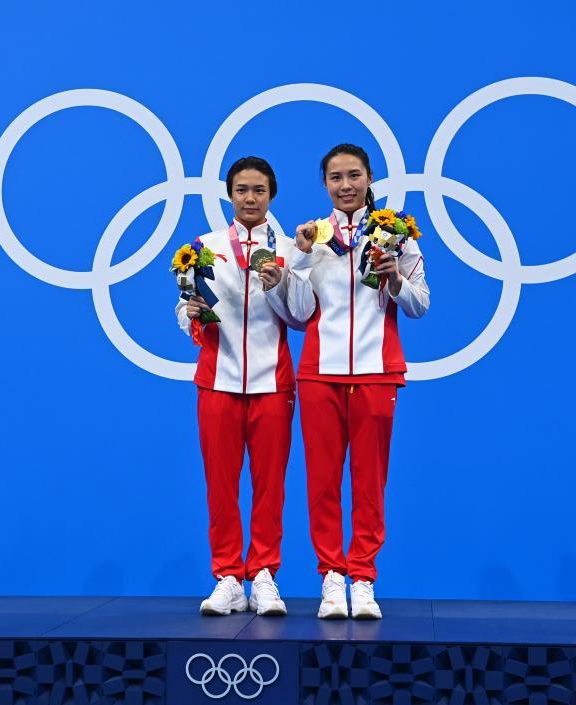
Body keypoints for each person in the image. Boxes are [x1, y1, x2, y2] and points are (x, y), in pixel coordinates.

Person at [288, 144, 430, 619]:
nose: (345, 185)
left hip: (376, 370)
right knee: (322, 482)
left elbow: (420, 304)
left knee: (370, 482)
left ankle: (363, 578)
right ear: (324, 184)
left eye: (353, 175)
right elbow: (297, 311)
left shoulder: (396, 233)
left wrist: (394, 281)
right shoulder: (310, 237)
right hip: (319, 373)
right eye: (335, 177)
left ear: (370, 178)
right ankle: (331, 578)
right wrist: (303, 258)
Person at [175, 156, 303, 616]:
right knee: (221, 484)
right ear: (230, 194)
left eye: (260, 190)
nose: (251, 198)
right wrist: (186, 316)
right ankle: (228, 576)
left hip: (273, 383)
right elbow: (186, 305)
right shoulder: (204, 247)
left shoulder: (290, 249)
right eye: (243, 190)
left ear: (272, 195)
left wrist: (280, 284)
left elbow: (301, 317)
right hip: (218, 380)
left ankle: (264, 574)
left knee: (271, 485)